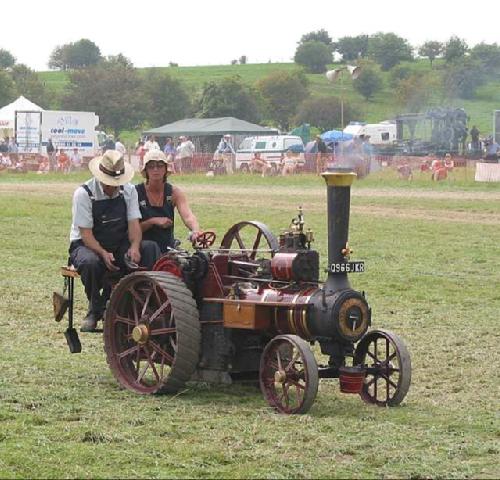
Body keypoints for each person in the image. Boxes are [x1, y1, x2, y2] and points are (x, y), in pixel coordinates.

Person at [68, 150, 161, 332]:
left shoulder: (129, 190)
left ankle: (133, 304)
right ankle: (95, 310)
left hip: (118, 242)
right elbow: (86, 234)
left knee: (150, 249)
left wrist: (135, 246)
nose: (113, 187)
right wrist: (103, 253)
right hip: (87, 244)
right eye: (110, 184)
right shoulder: (84, 194)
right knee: (91, 263)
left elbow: (134, 223)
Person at [135, 150, 203, 253]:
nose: (156, 169)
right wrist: (152, 221)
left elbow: (188, 216)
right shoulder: (136, 193)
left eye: (160, 165)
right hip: (142, 249)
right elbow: (131, 230)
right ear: (146, 170)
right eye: (151, 166)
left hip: (168, 248)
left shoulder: (174, 193)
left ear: (166, 169)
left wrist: (195, 231)